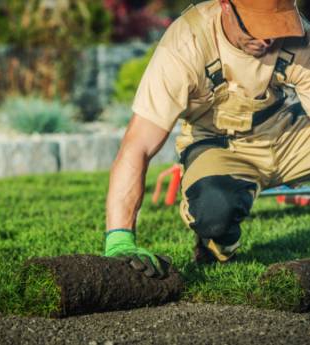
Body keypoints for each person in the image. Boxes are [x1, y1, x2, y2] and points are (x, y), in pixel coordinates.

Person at [104, 0, 310, 278]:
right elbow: (137, 145)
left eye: (275, 25)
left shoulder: (298, 38)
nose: (267, 38)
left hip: (288, 135)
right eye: (257, 26)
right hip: (220, 146)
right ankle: (217, 241)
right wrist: (119, 239)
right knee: (214, 212)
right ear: (225, 5)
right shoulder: (186, 43)